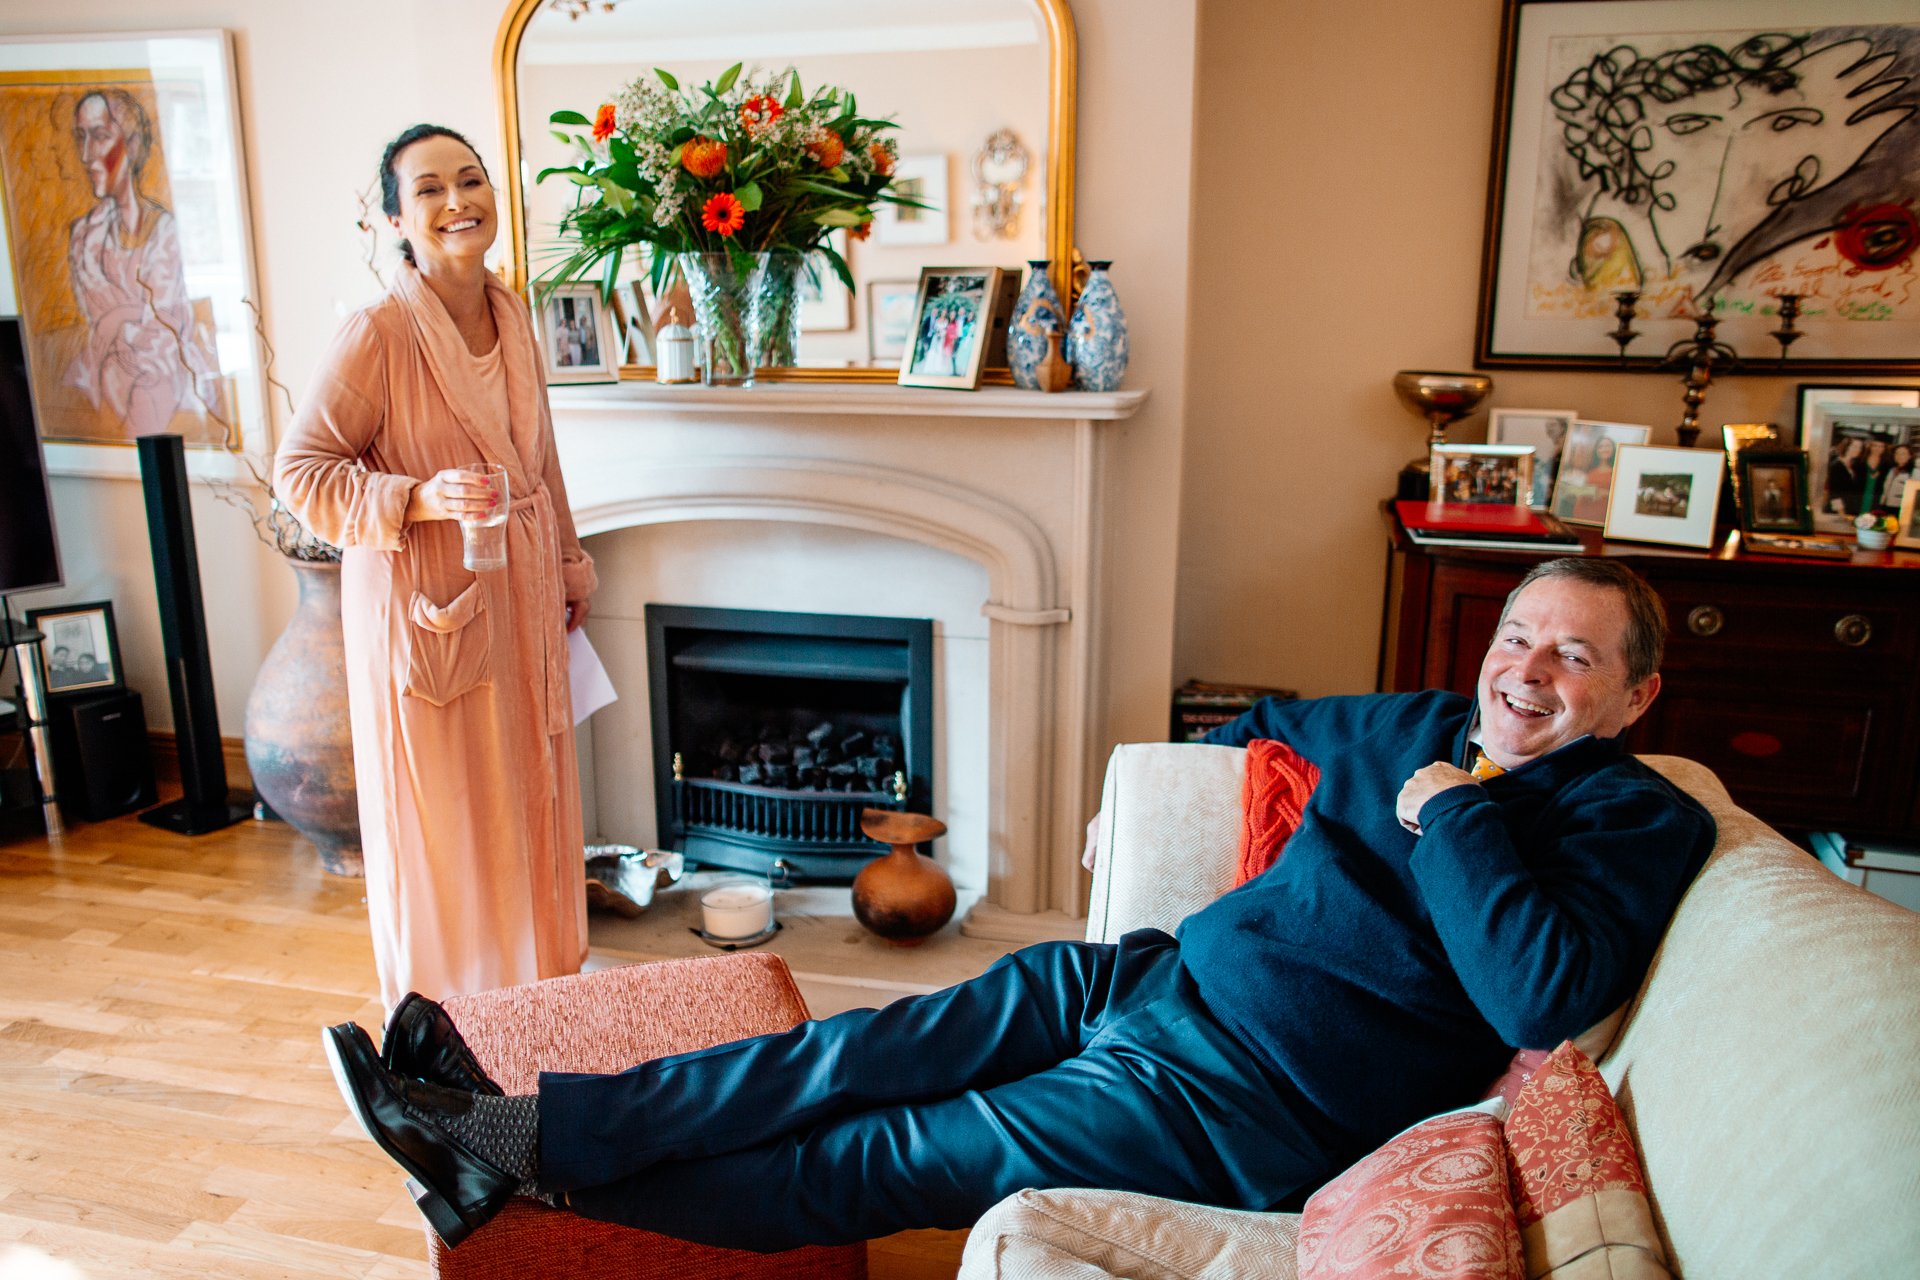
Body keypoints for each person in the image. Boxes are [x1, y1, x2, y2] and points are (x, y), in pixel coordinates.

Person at [324, 559, 1714, 1252]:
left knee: (887, 1154)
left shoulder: (1634, 818)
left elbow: (1536, 988)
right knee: (846, 1052)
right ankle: (530, 1122)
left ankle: (514, 1176)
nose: (1528, 671)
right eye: (1517, 637)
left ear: (1637, 697)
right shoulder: (1421, 716)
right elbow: (1275, 717)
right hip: (1147, 980)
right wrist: (1205, 773)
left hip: (1252, 1104)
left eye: (1574, 658)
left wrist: (1448, 810)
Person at [276, 125, 597, 1010]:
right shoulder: (375, 335)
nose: (457, 201)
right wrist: (418, 498)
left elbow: (542, 463)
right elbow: (299, 473)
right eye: (429, 189)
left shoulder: (513, 312)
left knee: (532, 805)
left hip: (522, 598)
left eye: (471, 180)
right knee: (449, 833)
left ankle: (541, 1011)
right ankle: (448, 1042)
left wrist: (568, 567)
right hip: (432, 615)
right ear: (393, 218)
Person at [63, 88, 224, 438]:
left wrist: (120, 316)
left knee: (147, 393)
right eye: (82, 137)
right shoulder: (84, 235)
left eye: (101, 137)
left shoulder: (167, 231)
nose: (87, 154)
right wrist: (129, 315)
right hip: (103, 360)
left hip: (161, 364)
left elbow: (164, 322)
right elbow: (96, 316)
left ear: (133, 146)